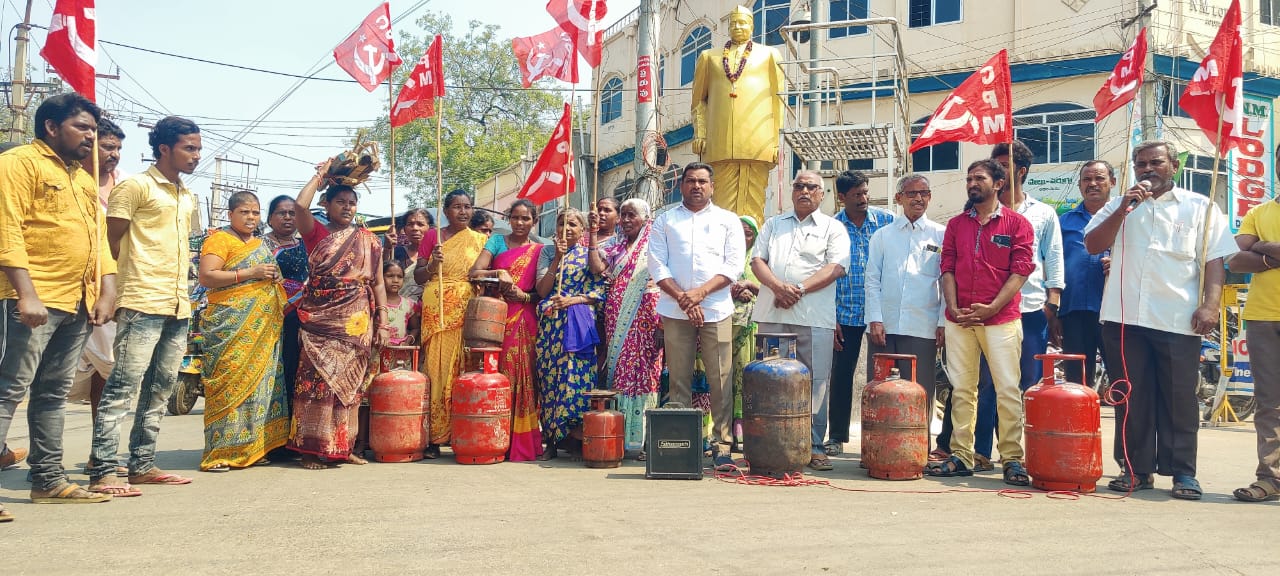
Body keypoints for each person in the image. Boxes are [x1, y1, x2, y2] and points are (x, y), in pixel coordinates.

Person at [1085, 140, 1236, 499]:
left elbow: (1214, 261)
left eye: (1156, 162)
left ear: (1174, 166)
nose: (1148, 169)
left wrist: (1210, 306)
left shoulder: (1200, 208)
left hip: (1178, 318)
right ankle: (1134, 470)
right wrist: (1122, 209)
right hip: (1124, 319)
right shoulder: (1119, 205)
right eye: (1141, 164)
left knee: (1179, 397)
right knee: (1130, 396)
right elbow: (1092, 245)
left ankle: (1183, 472)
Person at [0, 93, 115, 513]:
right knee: (9, 389)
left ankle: (48, 480)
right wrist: (26, 293)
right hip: (29, 298)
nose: (91, 136)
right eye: (82, 127)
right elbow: (6, 228)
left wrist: (107, 289)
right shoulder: (18, 163)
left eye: (93, 129)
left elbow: (99, 239)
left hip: (77, 301)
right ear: (51, 126)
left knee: (53, 393)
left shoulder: (84, 178)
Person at [90, 116, 202, 491]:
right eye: (189, 148)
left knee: (161, 388)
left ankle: (142, 464)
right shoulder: (134, 187)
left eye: (198, 148)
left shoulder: (187, 196)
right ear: (164, 149)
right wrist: (113, 291)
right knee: (123, 386)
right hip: (140, 300)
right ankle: (103, 470)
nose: (196, 155)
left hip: (177, 305)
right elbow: (110, 245)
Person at [925, 159, 1034, 486]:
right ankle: (961, 455)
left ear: (998, 183)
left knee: (1007, 390)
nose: (972, 183)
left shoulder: (1017, 224)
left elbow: (1021, 271)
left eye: (979, 178)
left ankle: (1013, 459)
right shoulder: (957, 225)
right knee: (962, 389)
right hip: (959, 319)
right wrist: (954, 307)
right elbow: (947, 267)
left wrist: (990, 309)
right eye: (969, 179)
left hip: (1000, 320)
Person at [963, 141, 1065, 470]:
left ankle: (1019, 456)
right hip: (988, 311)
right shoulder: (975, 214)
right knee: (986, 384)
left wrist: (1053, 301)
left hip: (1031, 308)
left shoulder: (1042, 213)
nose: (996, 173)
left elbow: (1054, 259)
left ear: (1020, 171)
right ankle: (980, 451)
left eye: (1003, 166)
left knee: (1024, 384)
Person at [750, 171, 851, 471]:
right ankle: (768, 444)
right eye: (799, 186)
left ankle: (814, 445)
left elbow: (836, 267)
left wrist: (799, 289)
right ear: (792, 191)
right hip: (772, 312)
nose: (804, 191)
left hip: (814, 316)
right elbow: (757, 261)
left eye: (811, 187)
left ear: (822, 194)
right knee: (767, 379)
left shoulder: (834, 228)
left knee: (816, 382)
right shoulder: (773, 224)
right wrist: (778, 288)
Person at [648, 163, 746, 471]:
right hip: (675, 310)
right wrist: (683, 299)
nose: (696, 186)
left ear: (712, 186)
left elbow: (733, 266)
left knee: (721, 377)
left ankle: (722, 445)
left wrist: (699, 295)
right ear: (681, 186)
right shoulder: (666, 220)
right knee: (678, 379)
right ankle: (682, 444)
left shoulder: (727, 221)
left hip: (716, 308)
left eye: (702, 181)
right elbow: (657, 265)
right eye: (690, 181)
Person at [291, 160, 387, 470]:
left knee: (351, 383)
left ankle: (342, 447)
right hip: (318, 319)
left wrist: (383, 320)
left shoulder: (369, 240)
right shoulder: (315, 232)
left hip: (356, 319)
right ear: (326, 204)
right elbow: (299, 205)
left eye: (352, 202)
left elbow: (379, 282)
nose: (347, 207)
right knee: (316, 383)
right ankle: (309, 449)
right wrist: (320, 176)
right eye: (341, 202)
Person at [195, 191, 289, 471]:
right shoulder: (219, 240)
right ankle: (220, 453)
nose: (250, 218)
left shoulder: (260, 245)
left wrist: (273, 276)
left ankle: (254, 448)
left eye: (255, 213)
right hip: (230, 326)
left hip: (262, 326)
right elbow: (207, 276)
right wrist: (251, 273)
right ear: (231, 214)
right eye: (245, 212)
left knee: (261, 385)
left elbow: (273, 276)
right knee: (230, 384)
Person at [864, 174, 946, 432]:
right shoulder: (883, 236)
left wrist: (943, 322)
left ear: (931, 197)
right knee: (879, 391)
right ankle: (875, 447)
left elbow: (946, 282)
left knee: (920, 392)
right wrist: (875, 319)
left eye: (924, 193)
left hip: (922, 327)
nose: (918, 198)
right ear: (899, 198)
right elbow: (871, 280)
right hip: (884, 329)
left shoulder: (941, 235)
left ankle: (919, 448)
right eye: (911, 193)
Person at [690, 5, 784, 226]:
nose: (738, 27)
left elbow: (778, 99)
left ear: (752, 26)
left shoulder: (770, 54)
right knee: (721, 204)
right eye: (733, 23)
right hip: (719, 142)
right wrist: (700, 132)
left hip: (758, 142)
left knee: (754, 205)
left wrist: (776, 140)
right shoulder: (708, 57)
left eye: (743, 23)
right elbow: (698, 101)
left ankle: (751, 253)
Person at [470, 200, 545, 461]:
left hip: (526, 318)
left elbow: (543, 292)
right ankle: (494, 436)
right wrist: (499, 272)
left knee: (526, 378)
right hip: (497, 318)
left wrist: (523, 296)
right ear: (507, 218)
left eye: (526, 218)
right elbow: (475, 272)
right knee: (499, 374)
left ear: (534, 221)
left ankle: (522, 440)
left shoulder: (540, 250)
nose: (520, 223)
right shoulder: (497, 242)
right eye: (515, 217)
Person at [414, 190, 486, 458]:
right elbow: (420, 277)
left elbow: (481, 274)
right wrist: (433, 264)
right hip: (437, 307)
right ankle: (434, 435)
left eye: (467, 207)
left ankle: (461, 433)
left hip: (466, 306)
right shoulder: (432, 237)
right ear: (445, 211)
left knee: (462, 366)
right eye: (457, 207)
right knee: (435, 366)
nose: (463, 212)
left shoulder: (480, 240)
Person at [828, 169, 894, 457]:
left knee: (885, 376)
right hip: (845, 313)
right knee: (842, 376)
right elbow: (825, 274)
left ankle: (884, 435)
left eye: (865, 192)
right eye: (856, 195)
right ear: (842, 197)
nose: (863, 198)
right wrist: (830, 317)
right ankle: (837, 437)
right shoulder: (832, 228)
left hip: (882, 314)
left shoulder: (886, 222)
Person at [535, 208, 605, 460]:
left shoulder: (591, 254)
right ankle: (552, 440)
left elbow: (599, 291)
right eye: (562, 223)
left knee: (576, 380)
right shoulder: (546, 252)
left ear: (583, 230)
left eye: (573, 224)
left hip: (579, 323)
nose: (567, 228)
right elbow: (542, 290)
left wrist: (572, 299)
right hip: (552, 326)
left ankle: (575, 439)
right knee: (551, 380)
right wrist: (557, 258)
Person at [1226, 191, 1280, 502]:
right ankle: (1269, 478)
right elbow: (1235, 258)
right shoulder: (1258, 212)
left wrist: (1260, 247)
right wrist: (1269, 252)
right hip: (1263, 318)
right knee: (1269, 404)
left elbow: (1249, 250)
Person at [599, 198, 663, 459]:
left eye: (631, 215)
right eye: (622, 215)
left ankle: (641, 441)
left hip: (645, 324)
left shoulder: (654, 248)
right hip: (616, 323)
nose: (625, 220)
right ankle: (620, 438)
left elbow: (656, 287)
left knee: (643, 377)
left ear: (646, 219)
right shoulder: (616, 249)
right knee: (620, 377)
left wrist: (659, 326)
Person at [1059, 161, 1114, 387]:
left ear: (1112, 182)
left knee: (1123, 375)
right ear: (1080, 185)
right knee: (1077, 380)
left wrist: (1121, 263)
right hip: (1073, 311)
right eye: (1087, 179)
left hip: (1115, 312)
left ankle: (1128, 423)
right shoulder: (1063, 222)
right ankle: (1081, 424)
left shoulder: (1127, 218)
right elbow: (1050, 266)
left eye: (1099, 178)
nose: (1093, 184)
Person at [262, 195, 309, 422]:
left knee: (297, 370)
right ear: (270, 218)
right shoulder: (260, 247)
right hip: (270, 316)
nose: (288, 217)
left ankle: (295, 431)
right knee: (273, 372)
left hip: (301, 317)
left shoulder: (306, 245)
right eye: (282, 213)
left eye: (292, 213)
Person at [730, 214, 761, 448]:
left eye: (748, 232)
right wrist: (734, 290)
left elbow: (771, 288)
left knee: (746, 375)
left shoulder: (759, 260)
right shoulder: (726, 257)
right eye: (739, 231)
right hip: (724, 324)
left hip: (752, 328)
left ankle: (743, 427)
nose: (744, 236)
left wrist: (750, 286)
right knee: (724, 376)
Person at [389, 208, 433, 300]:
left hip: (430, 307)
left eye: (420, 224)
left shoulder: (436, 255)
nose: (415, 228)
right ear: (404, 229)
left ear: (430, 228)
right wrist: (386, 249)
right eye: (410, 224)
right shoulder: (396, 253)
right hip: (403, 310)